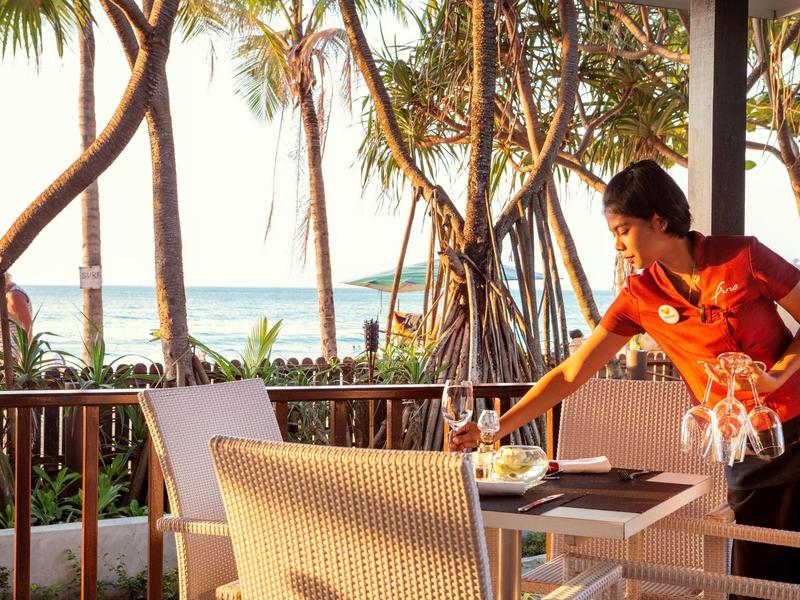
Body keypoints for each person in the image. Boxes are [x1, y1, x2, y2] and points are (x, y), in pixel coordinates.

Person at [451, 160, 800, 594]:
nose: (617, 244)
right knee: (758, 572)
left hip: (796, 419)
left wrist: (778, 374)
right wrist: (500, 427)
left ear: (659, 219)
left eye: (623, 229)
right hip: (744, 442)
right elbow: (571, 372)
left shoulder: (742, 256)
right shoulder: (641, 295)